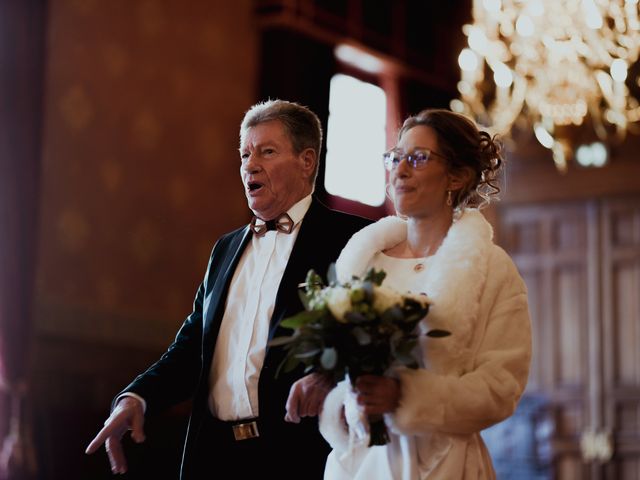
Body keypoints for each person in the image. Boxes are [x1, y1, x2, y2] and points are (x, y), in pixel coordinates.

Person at [85, 99, 371, 479]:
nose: (250, 165)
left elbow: (371, 339)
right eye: (245, 154)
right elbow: (190, 349)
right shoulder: (225, 249)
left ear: (307, 161)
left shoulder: (351, 240)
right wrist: (137, 397)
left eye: (267, 152)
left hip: (296, 455)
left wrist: (329, 377)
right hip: (213, 456)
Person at [315, 108, 532, 479]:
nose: (399, 170)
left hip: (447, 464)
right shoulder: (362, 265)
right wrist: (327, 388)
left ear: (457, 175)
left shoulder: (492, 268)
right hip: (361, 464)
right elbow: (342, 370)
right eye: (396, 157)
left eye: (417, 158)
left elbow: (501, 386)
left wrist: (407, 397)